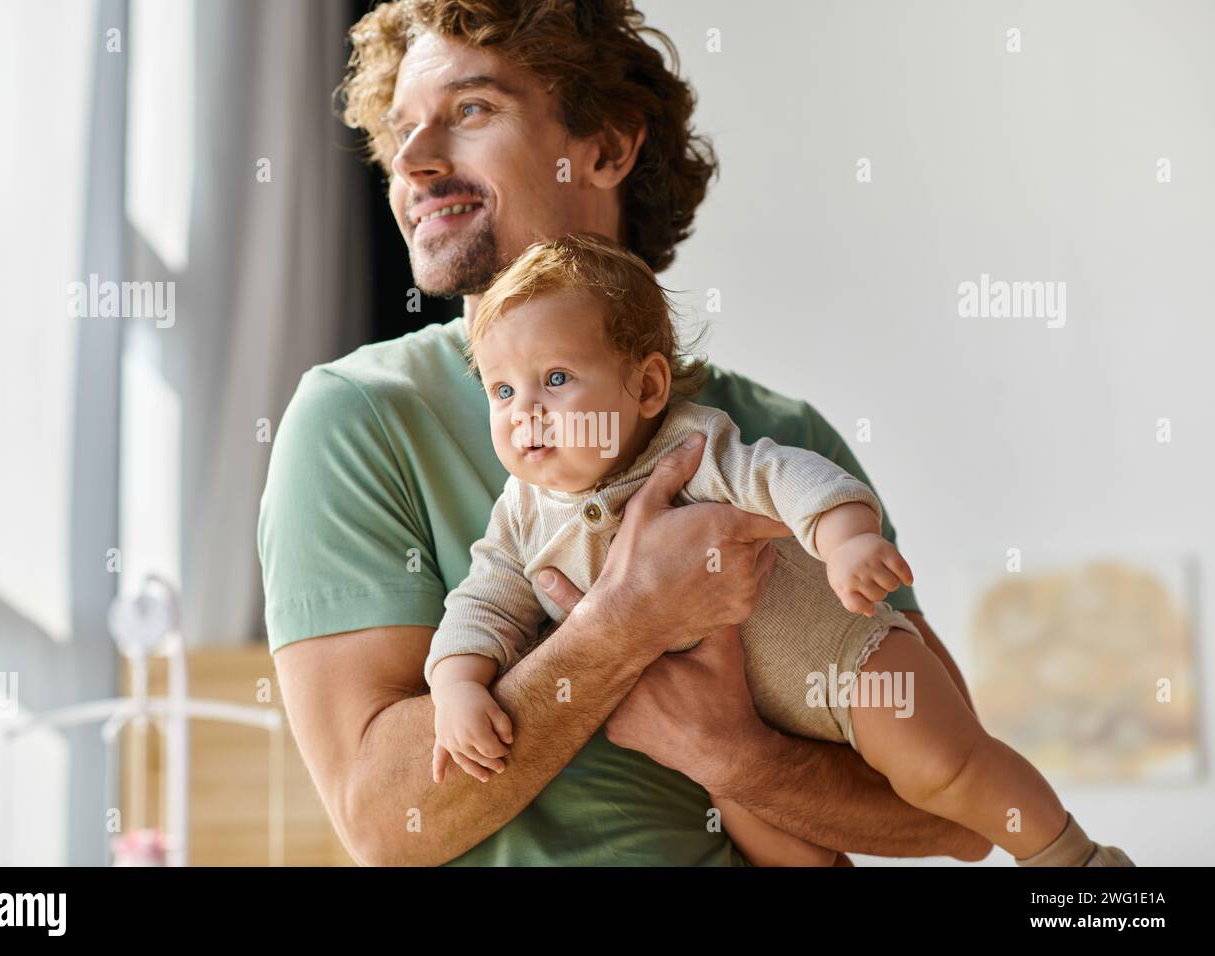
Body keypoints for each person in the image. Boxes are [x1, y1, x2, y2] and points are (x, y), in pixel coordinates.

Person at [259, 0, 993, 866]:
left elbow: (958, 818)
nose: (413, 161)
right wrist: (623, 626)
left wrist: (734, 755)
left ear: (607, 146)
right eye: (400, 131)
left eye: (470, 111)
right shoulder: (359, 418)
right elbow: (383, 822)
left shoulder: (784, 441)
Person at [425, 232, 1134, 868]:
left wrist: (847, 537)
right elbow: (482, 602)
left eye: (555, 380)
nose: (526, 412)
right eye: (502, 390)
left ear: (645, 386)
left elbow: (785, 477)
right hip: (746, 728)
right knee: (777, 846)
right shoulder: (518, 516)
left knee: (943, 770)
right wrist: (458, 684)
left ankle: (1067, 859)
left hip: (844, 659)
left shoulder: (692, 445)